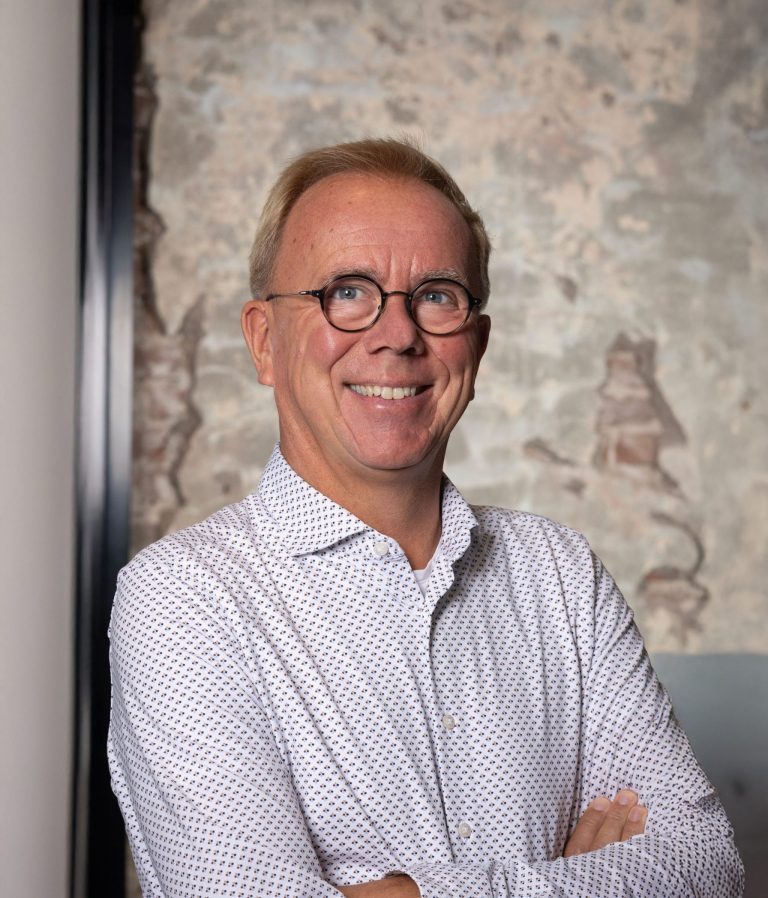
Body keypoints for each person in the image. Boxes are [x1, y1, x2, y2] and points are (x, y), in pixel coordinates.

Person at [108, 138, 743, 898]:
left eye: (437, 295)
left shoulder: (561, 574)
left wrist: (400, 892)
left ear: (477, 345)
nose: (398, 335)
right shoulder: (181, 600)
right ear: (264, 341)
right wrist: (572, 882)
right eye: (347, 291)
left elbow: (706, 865)